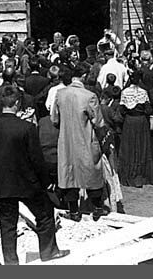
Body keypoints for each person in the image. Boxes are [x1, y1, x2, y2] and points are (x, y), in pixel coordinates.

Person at [0, 85, 69, 264]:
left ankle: (11, 262)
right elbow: (36, 159)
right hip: (27, 182)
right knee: (45, 215)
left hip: (2, 183)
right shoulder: (27, 128)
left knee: (7, 225)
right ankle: (48, 251)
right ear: (16, 103)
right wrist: (46, 182)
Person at [51, 64, 109, 221]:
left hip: (66, 142)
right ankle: (97, 207)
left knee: (69, 176)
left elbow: (54, 119)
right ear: (83, 76)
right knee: (92, 174)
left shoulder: (60, 94)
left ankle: (74, 211)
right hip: (85, 140)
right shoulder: (89, 96)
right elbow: (98, 122)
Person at [117, 71, 153, 188]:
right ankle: (140, 175)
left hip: (130, 122)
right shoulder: (143, 92)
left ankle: (130, 174)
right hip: (141, 122)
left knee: (130, 147)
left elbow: (122, 110)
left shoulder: (125, 92)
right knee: (141, 146)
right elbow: (148, 109)